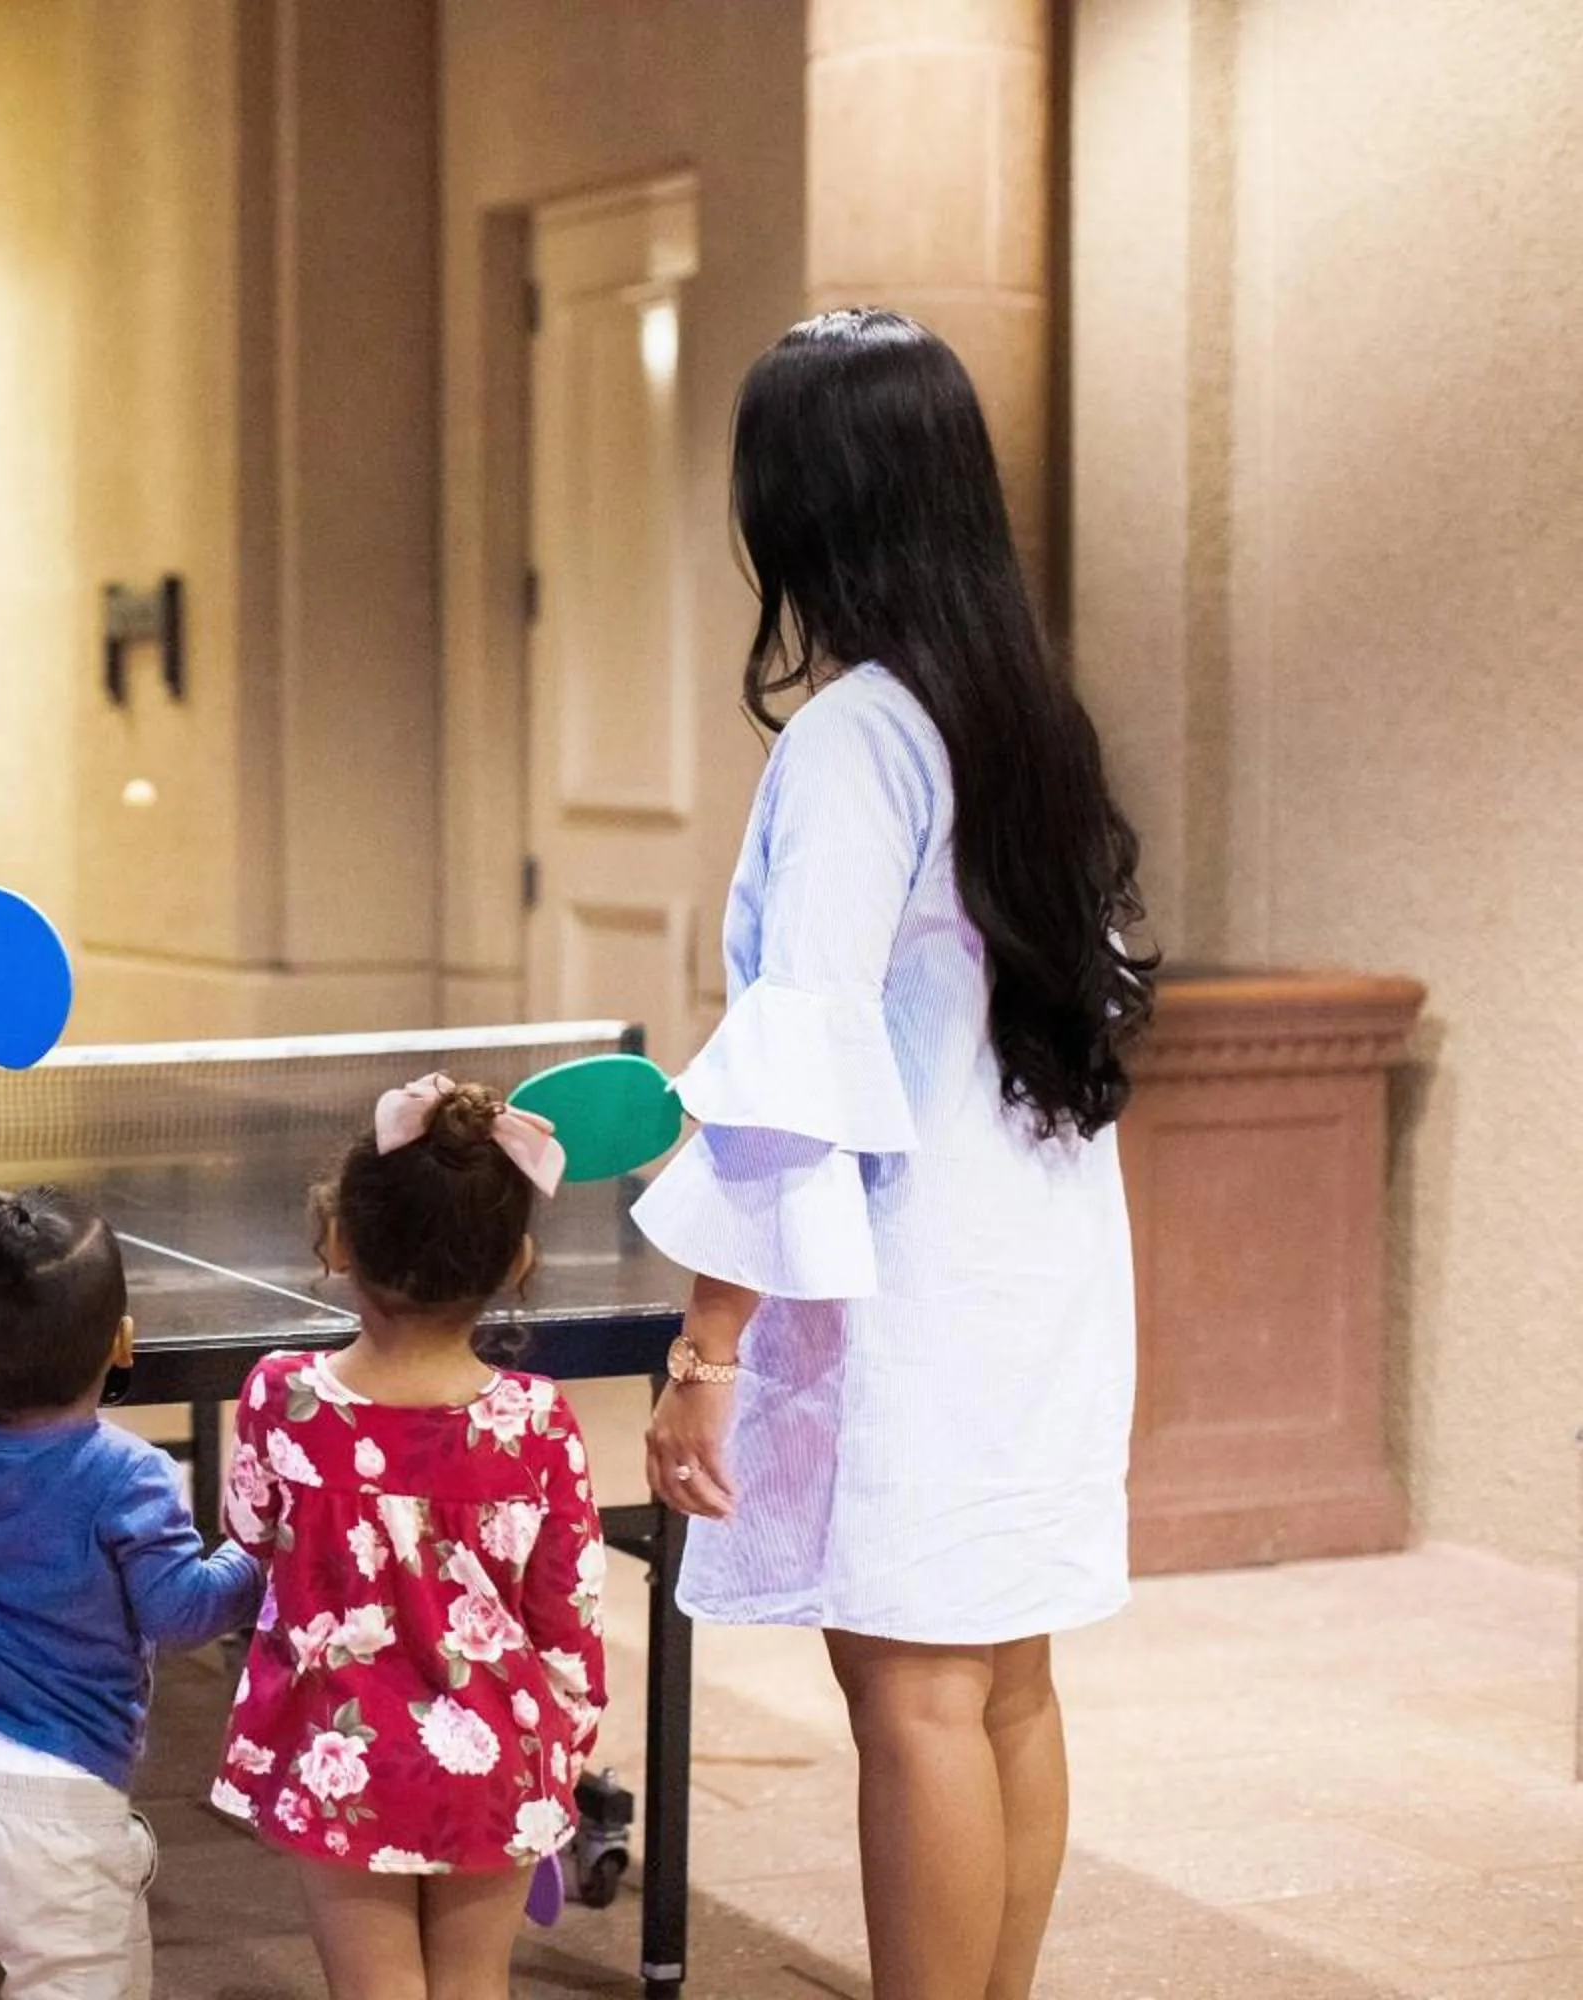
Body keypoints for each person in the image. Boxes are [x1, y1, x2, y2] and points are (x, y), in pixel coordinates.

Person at [632, 309, 1152, 2000]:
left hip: (921, 1278)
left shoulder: (856, 735)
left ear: (808, 504)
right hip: (1046, 1259)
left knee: (916, 1695)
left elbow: (800, 1060)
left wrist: (709, 1347)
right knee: (1004, 1680)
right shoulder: (1022, 716)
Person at [212, 1076, 609, 2000]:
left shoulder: (283, 1397)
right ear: (516, 1263)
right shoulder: (538, 1421)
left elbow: (248, 1532)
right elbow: (570, 1618)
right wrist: (558, 1751)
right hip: (498, 1756)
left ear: (339, 1240)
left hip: (342, 1753)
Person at [0, 1076, 264, 2000]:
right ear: (124, 1343)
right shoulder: (126, 1474)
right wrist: (261, 1549)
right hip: (61, 1817)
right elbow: (181, 1614)